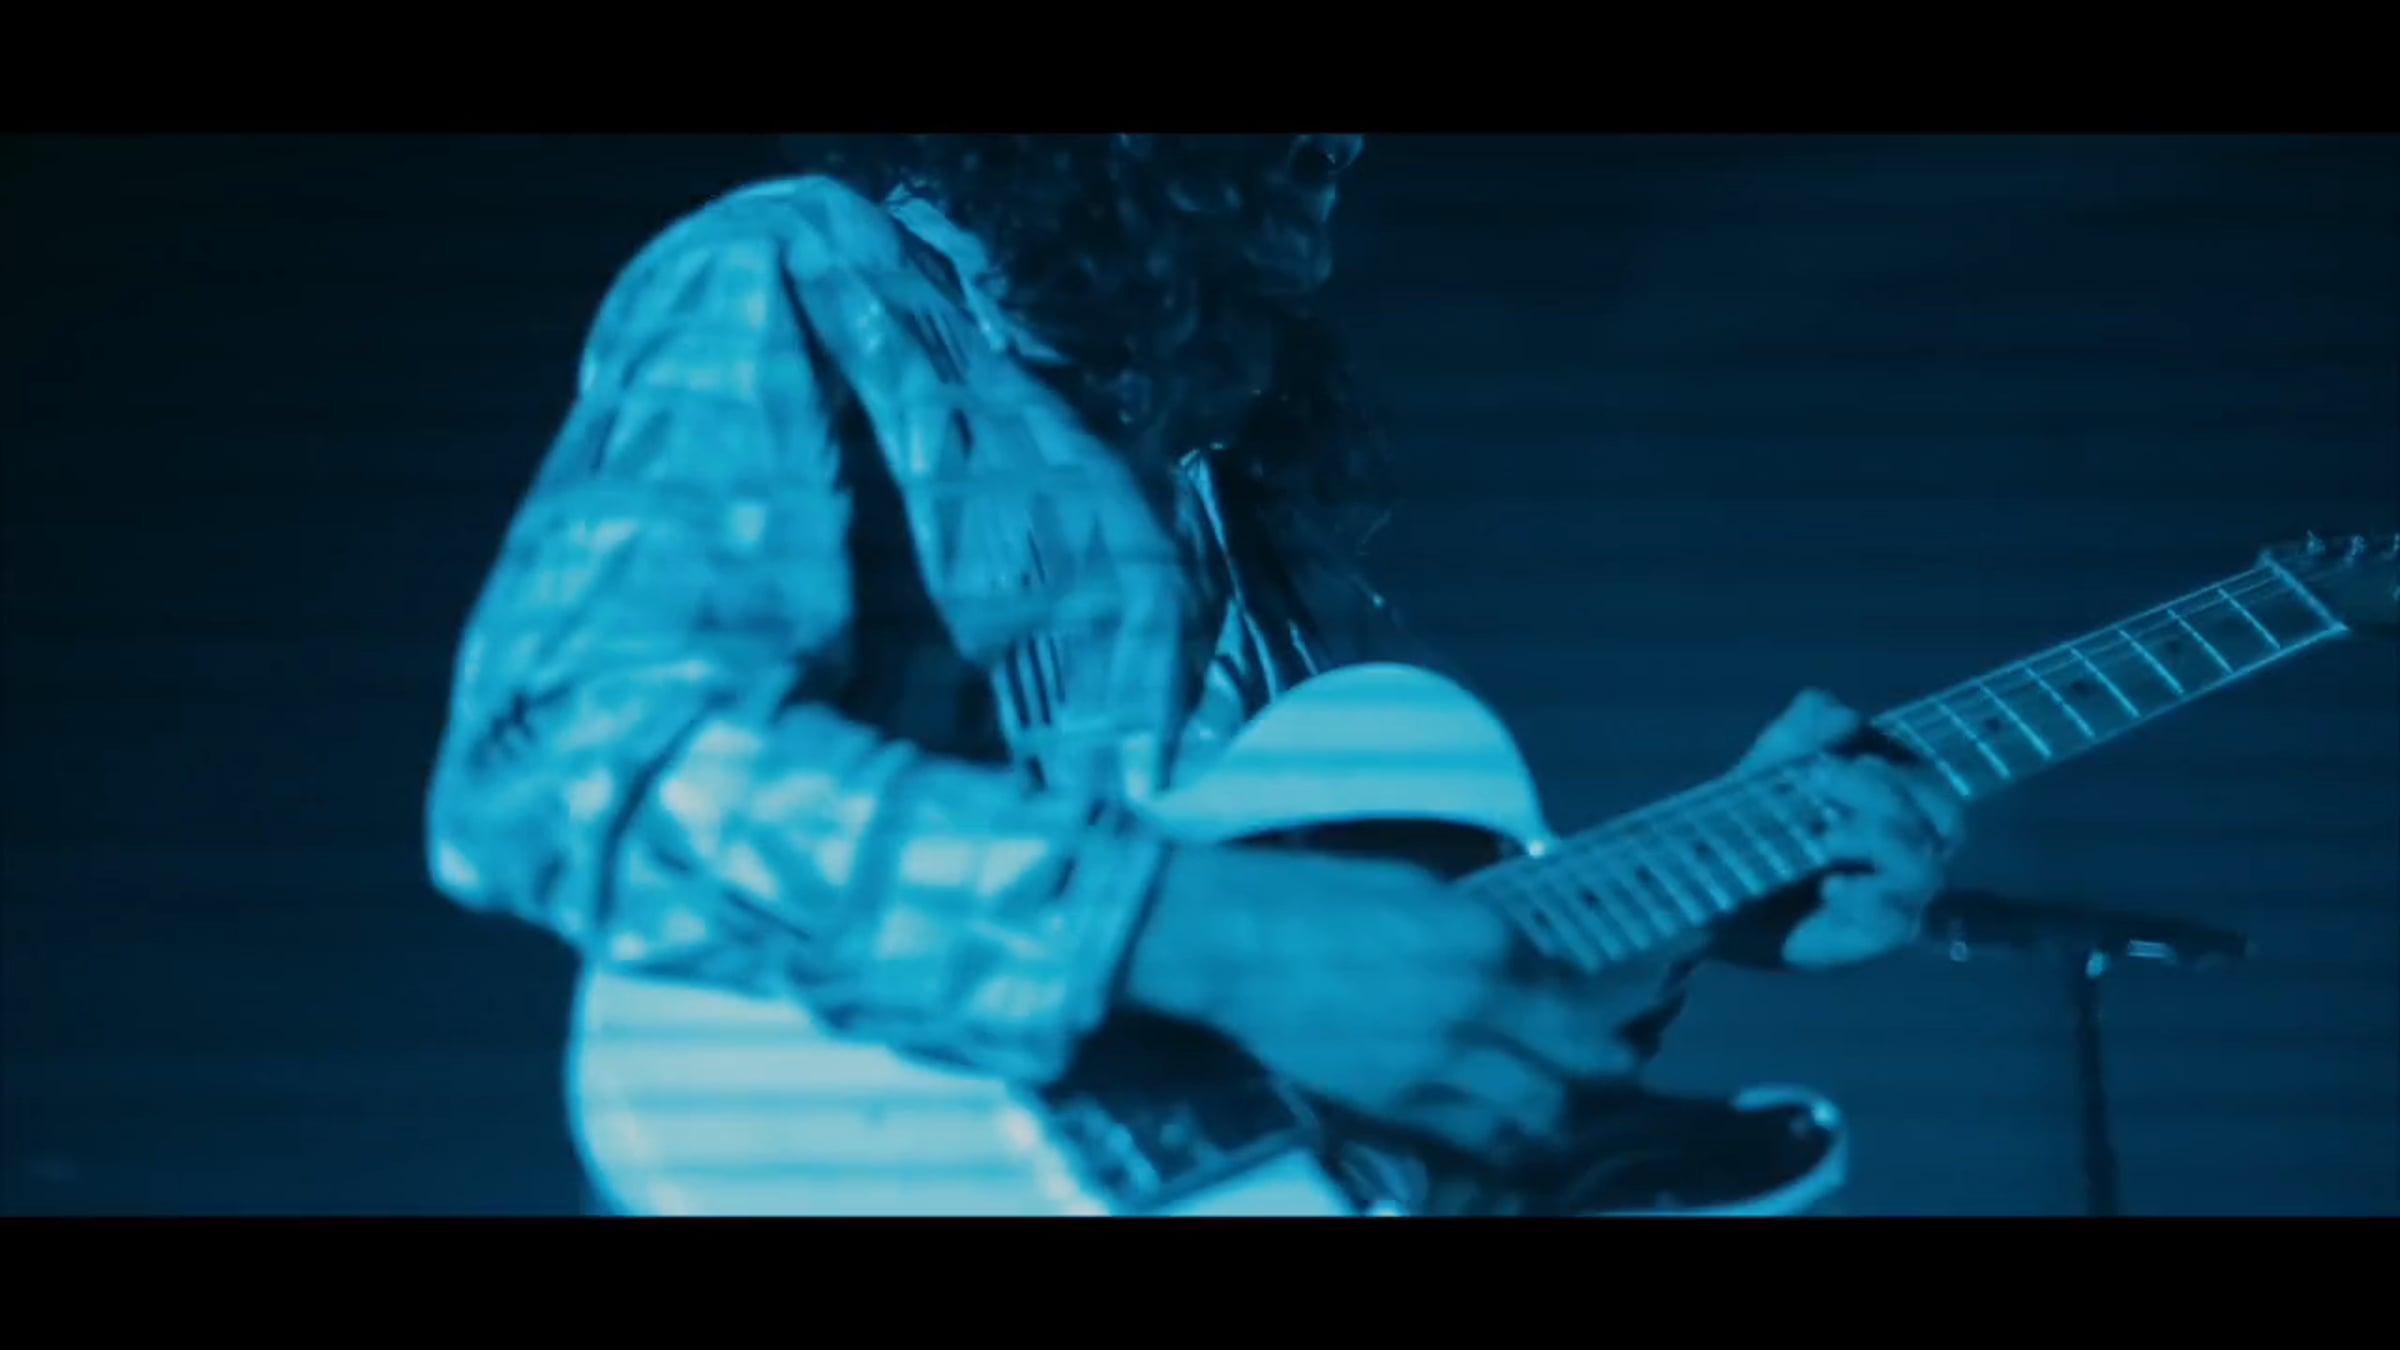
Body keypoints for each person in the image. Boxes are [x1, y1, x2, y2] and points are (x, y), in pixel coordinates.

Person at [423, 134, 1966, 1214]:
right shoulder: (808, 272)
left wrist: (1700, 895)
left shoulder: (1234, 480)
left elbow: (1345, 1032)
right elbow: (564, 754)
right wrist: (1205, 930)